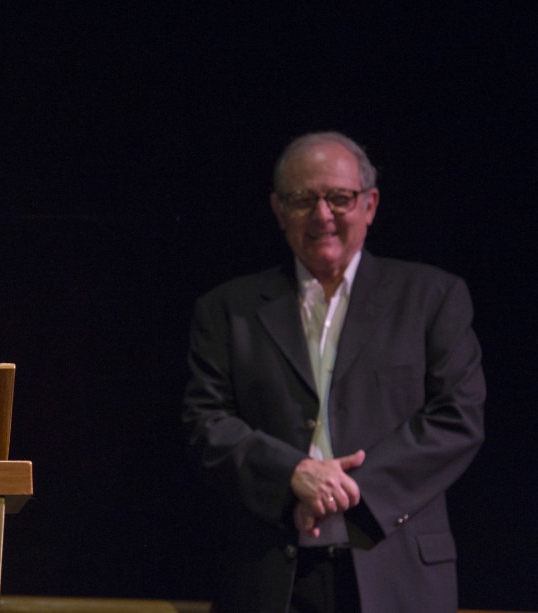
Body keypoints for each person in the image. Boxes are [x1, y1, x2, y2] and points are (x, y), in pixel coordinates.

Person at [182, 132, 484, 612]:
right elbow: (206, 423)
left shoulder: (432, 298)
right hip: (270, 576)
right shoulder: (226, 309)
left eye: (339, 199)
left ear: (369, 204)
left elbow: (457, 418)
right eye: (303, 200)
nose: (322, 216)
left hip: (397, 571)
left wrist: (348, 489)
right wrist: (293, 474)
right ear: (279, 210)